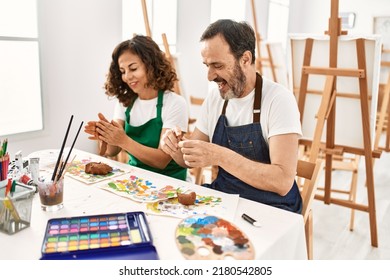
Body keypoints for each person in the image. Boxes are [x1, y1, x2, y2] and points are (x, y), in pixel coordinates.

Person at [160, 19, 303, 213]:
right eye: (207, 66)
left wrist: (219, 155)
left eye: (217, 65)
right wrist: (176, 147)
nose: (210, 76)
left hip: (272, 208)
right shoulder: (215, 99)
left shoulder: (279, 100)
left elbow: (282, 181)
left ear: (245, 59)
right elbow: (188, 160)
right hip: (225, 199)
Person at [85, 35, 189, 181]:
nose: (127, 76)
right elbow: (113, 150)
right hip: (135, 180)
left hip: (170, 183)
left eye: (133, 68)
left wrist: (122, 140)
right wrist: (106, 136)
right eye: (122, 71)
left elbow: (161, 160)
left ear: (151, 65)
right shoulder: (125, 102)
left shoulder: (175, 103)